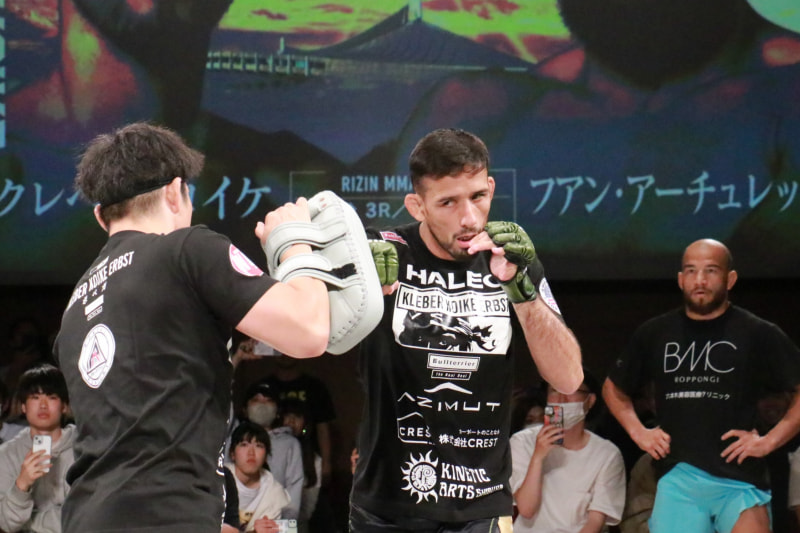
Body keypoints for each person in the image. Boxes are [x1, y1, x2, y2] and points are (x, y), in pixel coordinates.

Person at [52, 121, 332, 533]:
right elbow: (309, 332)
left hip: (85, 517)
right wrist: (294, 241)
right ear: (175, 191)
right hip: (167, 514)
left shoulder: (74, 307)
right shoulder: (187, 250)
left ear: (100, 216)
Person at [349, 128, 583, 531]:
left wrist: (523, 293)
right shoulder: (382, 253)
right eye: (448, 202)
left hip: (480, 505)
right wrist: (353, 278)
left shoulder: (511, 257)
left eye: (477, 196)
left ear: (491, 187)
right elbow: (316, 337)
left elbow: (569, 377)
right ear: (417, 206)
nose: (469, 219)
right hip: (386, 506)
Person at [603, 238, 800, 533]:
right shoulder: (655, 332)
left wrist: (769, 441)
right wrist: (639, 432)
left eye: (710, 270)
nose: (700, 280)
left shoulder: (758, 332)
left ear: (730, 279)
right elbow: (613, 388)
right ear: (680, 279)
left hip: (740, 476)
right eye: (691, 271)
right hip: (678, 476)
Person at [510, 372, 626, 532]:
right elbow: (526, 509)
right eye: (554, 391)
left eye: (570, 391)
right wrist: (538, 457)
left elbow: (595, 522)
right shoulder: (523, 441)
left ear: (590, 400)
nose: (561, 399)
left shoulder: (607, 454)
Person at [0, 364, 76, 533]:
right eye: (35, 397)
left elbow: (86, 512)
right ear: (23, 407)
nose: (43, 405)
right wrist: (22, 485)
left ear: (64, 406)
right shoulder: (6, 455)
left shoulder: (83, 448)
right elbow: (5, 523)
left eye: (51, 397)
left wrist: (32, 522)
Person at [238, 382, 304, 520]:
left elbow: (294, 489)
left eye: (268, 400)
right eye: (256, 399)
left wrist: (286, 525)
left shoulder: (289, 443)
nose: (262, 404)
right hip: (234, 521)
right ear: (244, 409)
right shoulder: (232, 438)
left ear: (278, 411)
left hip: (274, 521)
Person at [227, 420, 290, 532]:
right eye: (244, 445)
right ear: (232, 454)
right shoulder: (218, 480)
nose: (251, 452)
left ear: (266, 456)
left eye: (258, 446)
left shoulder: (274, 492)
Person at [282, 399, 322, 533]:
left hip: (297, 523)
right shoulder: (268, 451)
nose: (291, 421)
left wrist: (288, 526)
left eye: (297, 416)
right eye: (287, 416)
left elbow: (308, 507)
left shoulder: (314, 460)